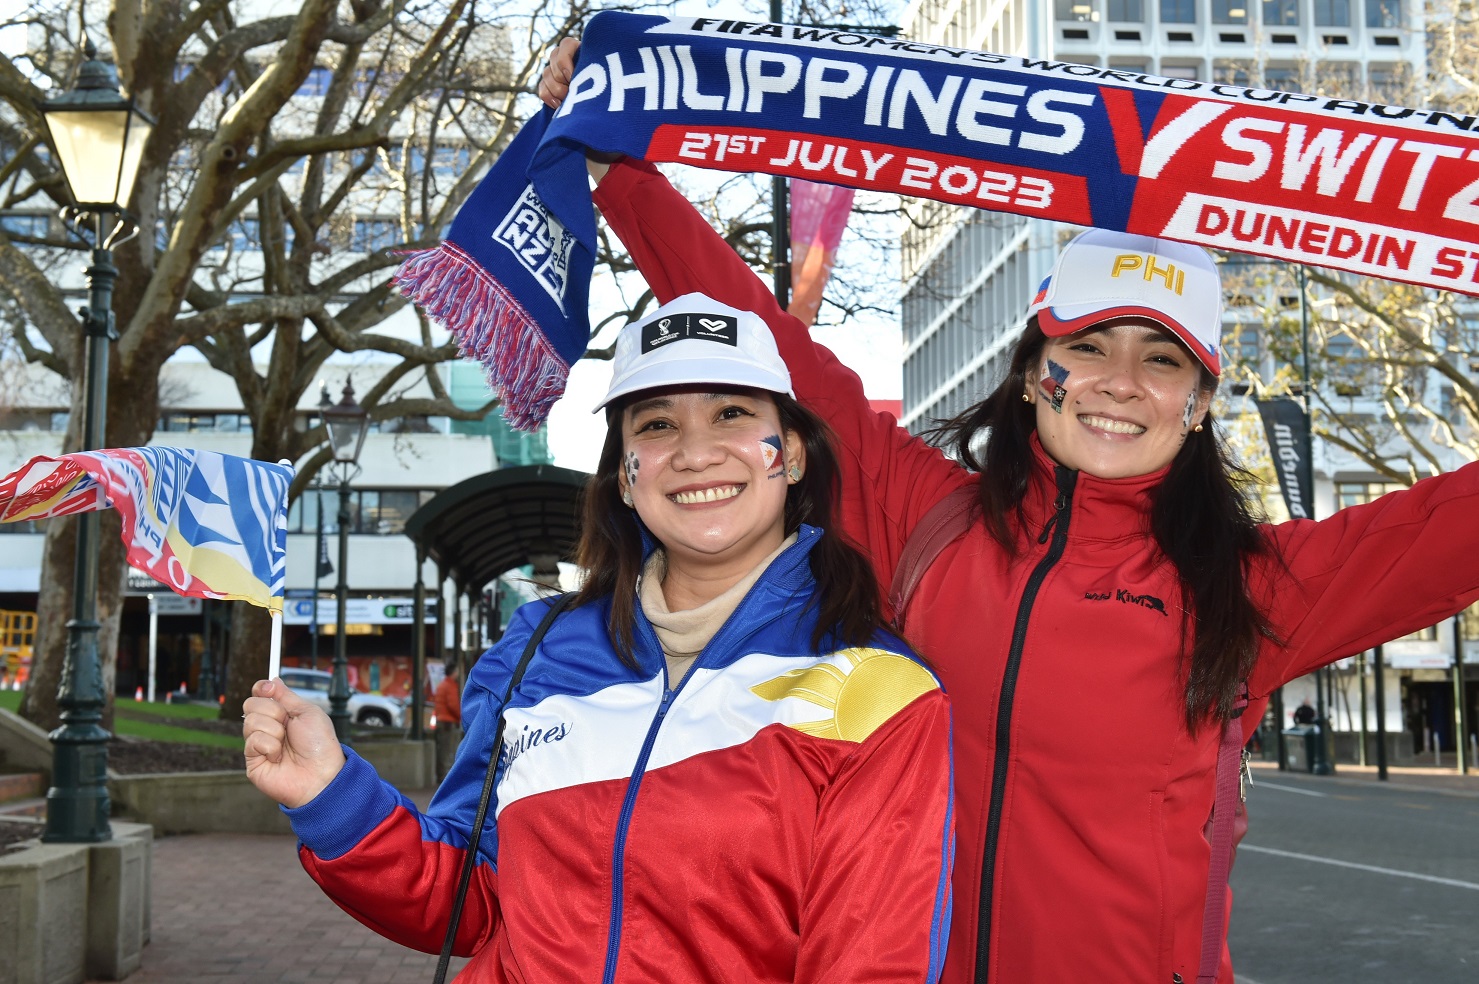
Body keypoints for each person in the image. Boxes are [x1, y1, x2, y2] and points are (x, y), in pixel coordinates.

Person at [539, 40, 1479, 984]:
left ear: (1197, 404)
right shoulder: (925, 514)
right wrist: (620, 169)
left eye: (1161, 360)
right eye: (1089, 346)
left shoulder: (1252, 583)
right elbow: (770, 345)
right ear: (1034, 373)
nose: (1118, 384)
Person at [242, 292, 955, 983]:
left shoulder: (879, 689)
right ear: (623, 474)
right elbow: (466, 902)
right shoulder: (534, 646)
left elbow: (872, 962)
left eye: (731, 414)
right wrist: (330, 797)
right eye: (655, 426)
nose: (695, 452)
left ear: (791, 455)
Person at [432, 654, 463, 783]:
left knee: (442, 752)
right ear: (453, 672)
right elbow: (453, 705)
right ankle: (445, 779)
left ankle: (440, 776)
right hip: (448, 723)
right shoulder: (450, 686)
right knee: (448, 752)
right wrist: (461, 717)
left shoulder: (441, 685)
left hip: (441, 721)